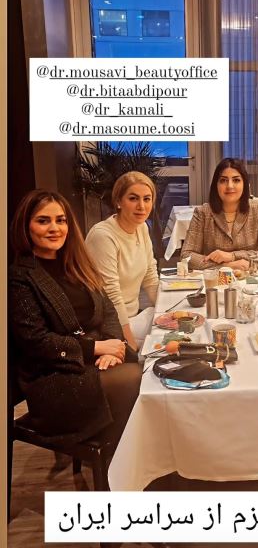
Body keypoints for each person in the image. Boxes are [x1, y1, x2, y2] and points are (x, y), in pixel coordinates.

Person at [9, 190, 141, 448]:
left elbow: (109, 310)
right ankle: (123, 459)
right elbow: (37, 342)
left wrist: (113, 347)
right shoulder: (19, 277)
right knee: (134, 379)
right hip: (52, 377)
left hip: (95, 363)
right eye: (43, 221)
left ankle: (129, 456)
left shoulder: (78, 264)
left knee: (146, 374)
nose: (54, 228)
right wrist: (96, 348)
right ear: (25, 226)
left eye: (61, 220)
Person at [86, 171, 159, 351]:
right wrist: (130, 344)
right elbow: (112, 296)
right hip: (107, 326)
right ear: (118, 201)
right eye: (133, 198)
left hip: (133, 317)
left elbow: (150, 276)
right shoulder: (103, 236)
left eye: (147, 199)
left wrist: (166, 312)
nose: (141, 206)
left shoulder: (141, 227)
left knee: (180, 330)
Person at [181, 158, 258, 270]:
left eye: (236, 180)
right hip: (215, 278)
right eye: (223, 180)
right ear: (216, 185)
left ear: (244, 184)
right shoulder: (203, 212)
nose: (230, 186)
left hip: (250, 278)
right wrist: (225, 266)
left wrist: (232, 256)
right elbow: (186, 256)